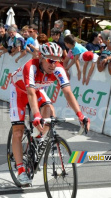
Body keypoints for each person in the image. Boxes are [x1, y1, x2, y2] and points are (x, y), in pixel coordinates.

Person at [10, 42, 90, 185]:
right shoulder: (31, 66)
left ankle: (38, 140)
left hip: (37, 90)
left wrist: (80, 115)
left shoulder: (59, 69)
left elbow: (67, 93)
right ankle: (21, 170)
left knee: (50, 110)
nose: (54, 64)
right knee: (18, 132)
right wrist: (36, 115)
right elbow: (30, 94)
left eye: (57, 60)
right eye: (50, 60)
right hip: (19, 92)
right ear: (41, 57)